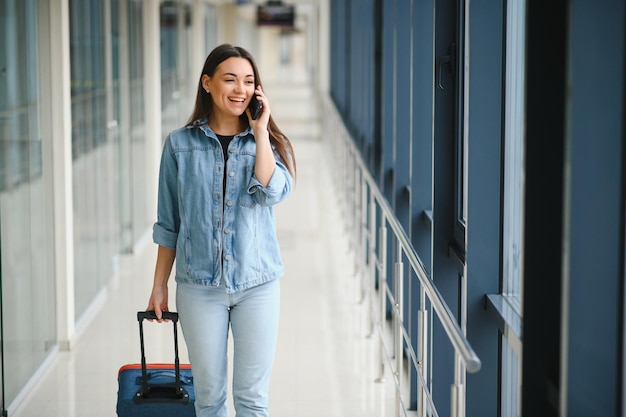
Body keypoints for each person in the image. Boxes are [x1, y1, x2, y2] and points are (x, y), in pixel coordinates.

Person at [146, 43, 296, 417]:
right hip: (199, 288)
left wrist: (260, 131)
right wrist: (159, 284)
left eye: (248, 81)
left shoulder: (264, 143)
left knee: (251, 400)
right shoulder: (179, 146)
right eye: (230, 79)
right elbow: (169, 223)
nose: (240, 89)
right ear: (207, 84)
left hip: (257, 286)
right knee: (209, 399)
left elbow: (272, 191)